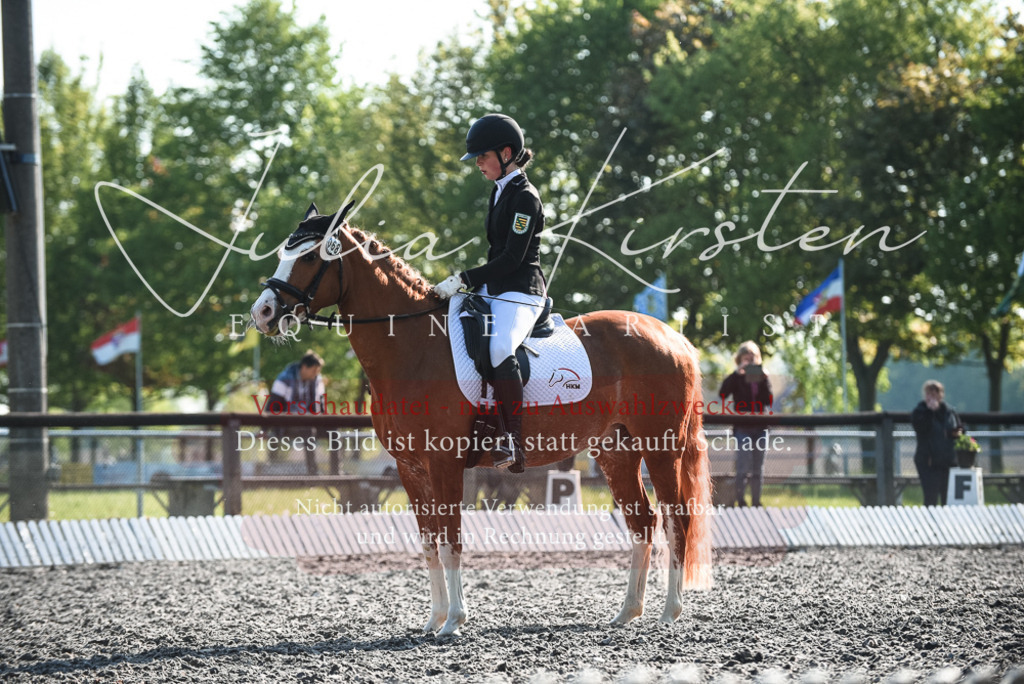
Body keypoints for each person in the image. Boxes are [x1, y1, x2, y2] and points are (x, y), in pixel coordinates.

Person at [433, 113, 547, 471]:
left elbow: (513, 258)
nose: (478, 164)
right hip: (496, 289)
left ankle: (512, 440)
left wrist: (465, 277)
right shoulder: (500, 192)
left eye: (483, 157)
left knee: (499, 346)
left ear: (507, 153)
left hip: (522, 291)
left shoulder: (525, 197)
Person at [718, 341, 773, 507]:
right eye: (746, 359)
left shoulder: (762, 378)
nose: (750, 362)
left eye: (752, 359)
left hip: (760, 427)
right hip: (742, 427)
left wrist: (764, 379)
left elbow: (769, 400)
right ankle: (740, 500)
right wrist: (736, 374)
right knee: (742, 466)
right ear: (740, 360)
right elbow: (723, 393)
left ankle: (756, 501)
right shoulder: (736, 378)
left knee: (758, 467)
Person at [266, 350, 325, 475]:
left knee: (334, 431)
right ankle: (313, 473)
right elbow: (273, 405)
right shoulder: (284, 379)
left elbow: (321, 406)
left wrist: (327, 422)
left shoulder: (317, 381)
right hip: (287, 423)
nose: (316, 374)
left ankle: (336, 472)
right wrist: (263, 429)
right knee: (307, 431)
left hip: (311, 422)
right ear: (304, 367)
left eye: (317, 372)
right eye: (314, 371)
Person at [911, 380, 962, 506]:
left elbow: (959, 428)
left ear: (941, 395)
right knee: (931, 496)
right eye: (929, 394)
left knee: (948, 497)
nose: (932, 397)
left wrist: (956, 433)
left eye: (935, 394)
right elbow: (921, 428)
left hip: (948, 461)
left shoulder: (949, 412)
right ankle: (929, 523)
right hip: (927, 462)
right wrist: (930, 412)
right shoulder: (920, 411)